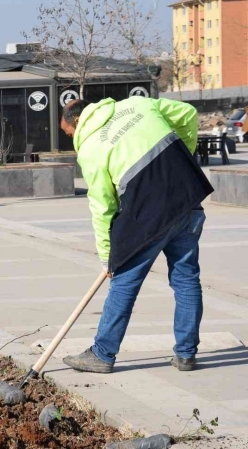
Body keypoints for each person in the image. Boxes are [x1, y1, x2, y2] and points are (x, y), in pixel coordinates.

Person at [59, 97, 213, 374]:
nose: (72, 140)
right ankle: (186, 354)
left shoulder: (92, 148)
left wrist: (107, 257)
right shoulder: (139, 105)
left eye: (69, 133)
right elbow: (189, 113)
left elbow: (102, 206)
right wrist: (186, 155)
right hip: (187, 198)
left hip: (147, 216)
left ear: (77, 122)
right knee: (186, 279)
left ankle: (103, 354)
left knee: (123, 284)